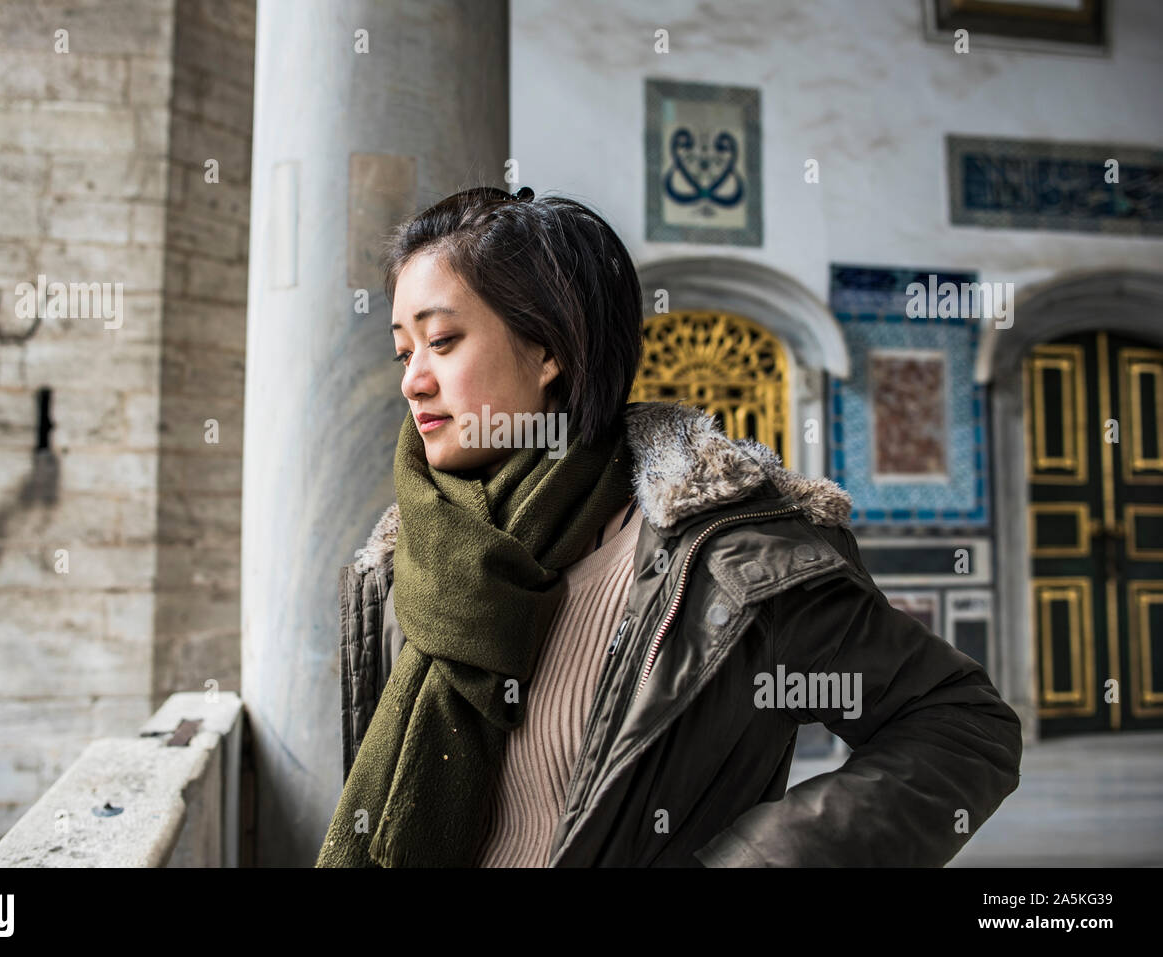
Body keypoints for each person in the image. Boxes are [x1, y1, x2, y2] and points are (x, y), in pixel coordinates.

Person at [314, 186, 1022, 868]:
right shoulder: (412, 560)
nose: (413, 379)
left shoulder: (731, 554)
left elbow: (961, 726)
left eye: (442, 340)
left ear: (547, 348)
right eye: (403, 351)